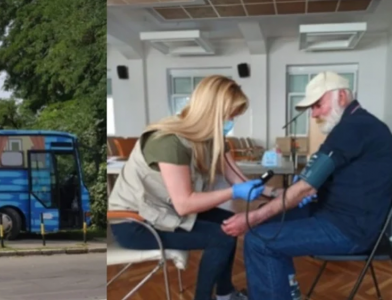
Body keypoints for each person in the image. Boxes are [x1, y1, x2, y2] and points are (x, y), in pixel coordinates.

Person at [221, 71, 392, 299]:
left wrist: (250, 218)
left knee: (258, 239)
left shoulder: (354, 127)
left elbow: (307, 186)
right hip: (339, 215)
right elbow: (320, 180)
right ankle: (286, 292)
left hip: (350, 229)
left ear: (341, 96)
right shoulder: (358, 124)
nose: (314, 114)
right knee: (268, 219)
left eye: (318, 105)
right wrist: (286, 193)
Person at [108, 75, 278, 300]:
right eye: (230, 117)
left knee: (229, 223)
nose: (231, 123)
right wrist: (234, 193)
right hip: (135, 222)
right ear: (212, 111)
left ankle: (225, 294)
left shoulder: (211, 137)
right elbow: (185, 204)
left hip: (164, 212)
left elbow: (236, 178)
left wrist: (275, 193)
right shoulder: (169, 141)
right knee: (222, 236)